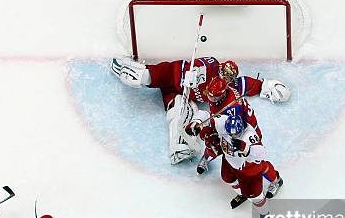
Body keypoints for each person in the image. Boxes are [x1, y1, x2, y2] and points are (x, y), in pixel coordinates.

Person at [111, 57, 290, 164]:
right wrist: (193, 73)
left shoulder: (229, 86)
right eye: (224, 75)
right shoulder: (211, 66)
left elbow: (249, 85)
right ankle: (123, 66)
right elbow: (201, 62)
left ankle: (180, 145)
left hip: (178, 95)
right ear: (220, 69)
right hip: (173, 75)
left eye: (229, 78)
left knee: (179, 113)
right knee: (144, 76)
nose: (226, 79)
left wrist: (266, 87)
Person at [198, 113, 282, 218]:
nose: (233, 136)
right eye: (230, 134)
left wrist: (245, 148)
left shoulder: (249, 136)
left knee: (256, 197)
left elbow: (261, 153)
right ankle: (242, 193)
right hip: (229, 161)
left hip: (248, 169)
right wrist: (196, 123)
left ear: (242, 128)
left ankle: (264, 214)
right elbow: (206, 117)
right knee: (228, 178)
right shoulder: (224, 122)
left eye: (236, 133)